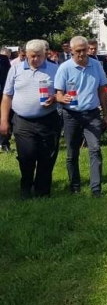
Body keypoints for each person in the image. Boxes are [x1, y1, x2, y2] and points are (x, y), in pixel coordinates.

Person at [0, 39, 61, 198]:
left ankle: (42, 190)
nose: (35, 59)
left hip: (48, 120)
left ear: (45, 54)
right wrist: (4, 120)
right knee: (27, 156)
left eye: (39, 56)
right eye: (32, 56)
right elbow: (7, 96)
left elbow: (63, 93)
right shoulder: (15, 70)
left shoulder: (55, 69)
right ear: (26, 54)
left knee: (47, 156)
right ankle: (26, 187)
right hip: (22, 121)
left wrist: (54, 98)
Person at [55, 36, 107, 197]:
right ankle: (75, 185)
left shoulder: (96, 65)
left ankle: (96, 188)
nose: (81, 54)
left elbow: (102, 90)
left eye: (84, 50)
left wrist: (106, 115)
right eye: (78, 51)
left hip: (92, 114)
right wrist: (62, 98)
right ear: (71, 51)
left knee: (95, 149)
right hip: (71, 114)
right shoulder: (64, 68)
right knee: (72, 152)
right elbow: (58, 94)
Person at [0, 48, 14, 152]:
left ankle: (4, 143)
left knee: (6, 118)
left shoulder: (4, 59)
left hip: (3, 93)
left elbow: (9, 77)